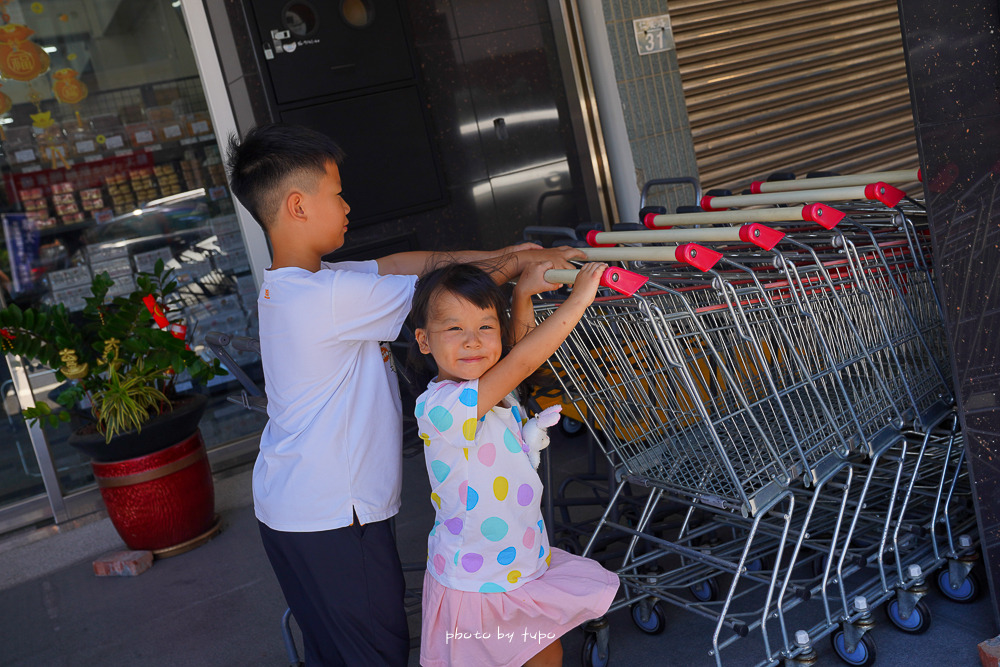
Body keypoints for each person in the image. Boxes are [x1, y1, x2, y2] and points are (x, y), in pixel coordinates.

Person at [225, 122, 584, 666]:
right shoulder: (328, 297)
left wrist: (505, 253)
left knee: (338, 652)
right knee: (376, 652)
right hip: (335, 516)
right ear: (298, 206)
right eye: (337, 192)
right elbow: (436, 290)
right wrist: (514, 266)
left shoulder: (307, 284)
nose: (347, 205)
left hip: (295, 508)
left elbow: (402, 264)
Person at [408, 262, 620, 667]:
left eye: (485, 327)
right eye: (454, 329)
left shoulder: (493, 394)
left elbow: (513, 356)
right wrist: (577, 301)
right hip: (479, 581)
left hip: (515, 562)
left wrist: (522, 296)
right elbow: (521, 361)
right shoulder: (443, 408)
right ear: (423, 341)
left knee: (545, 654)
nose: (473, 341)